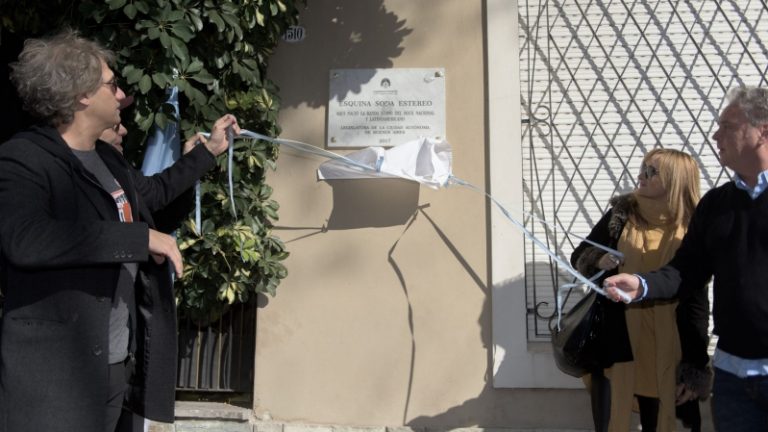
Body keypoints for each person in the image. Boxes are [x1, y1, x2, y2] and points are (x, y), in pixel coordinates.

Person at [0, 29, 240, 432]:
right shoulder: (22, 157)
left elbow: (156, 196)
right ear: (82, 95)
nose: (122, 94)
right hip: (54, 375)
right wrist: (138, 239)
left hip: (113, 364)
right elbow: (25, 239)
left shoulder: (106, 160)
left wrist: (208, 151)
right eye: (111, 85)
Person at [605, 86, 768, 431]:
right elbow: (686, 270)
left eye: (728, 126)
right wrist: (642, 284)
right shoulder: (716, 205)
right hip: (733, 377)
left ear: (762, 132)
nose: (715, 135)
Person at [571, 148, 710, 431]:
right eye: (642, 168)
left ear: (674, 180)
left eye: (651, 172)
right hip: (617, 338)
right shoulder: (621, 215)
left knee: (663, 417)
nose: (641, 176)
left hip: (670, 342)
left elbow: (697, 299)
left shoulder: (694, 227)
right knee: (610, 415)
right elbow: (580, 255)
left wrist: (695, 366)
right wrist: (599, 260)